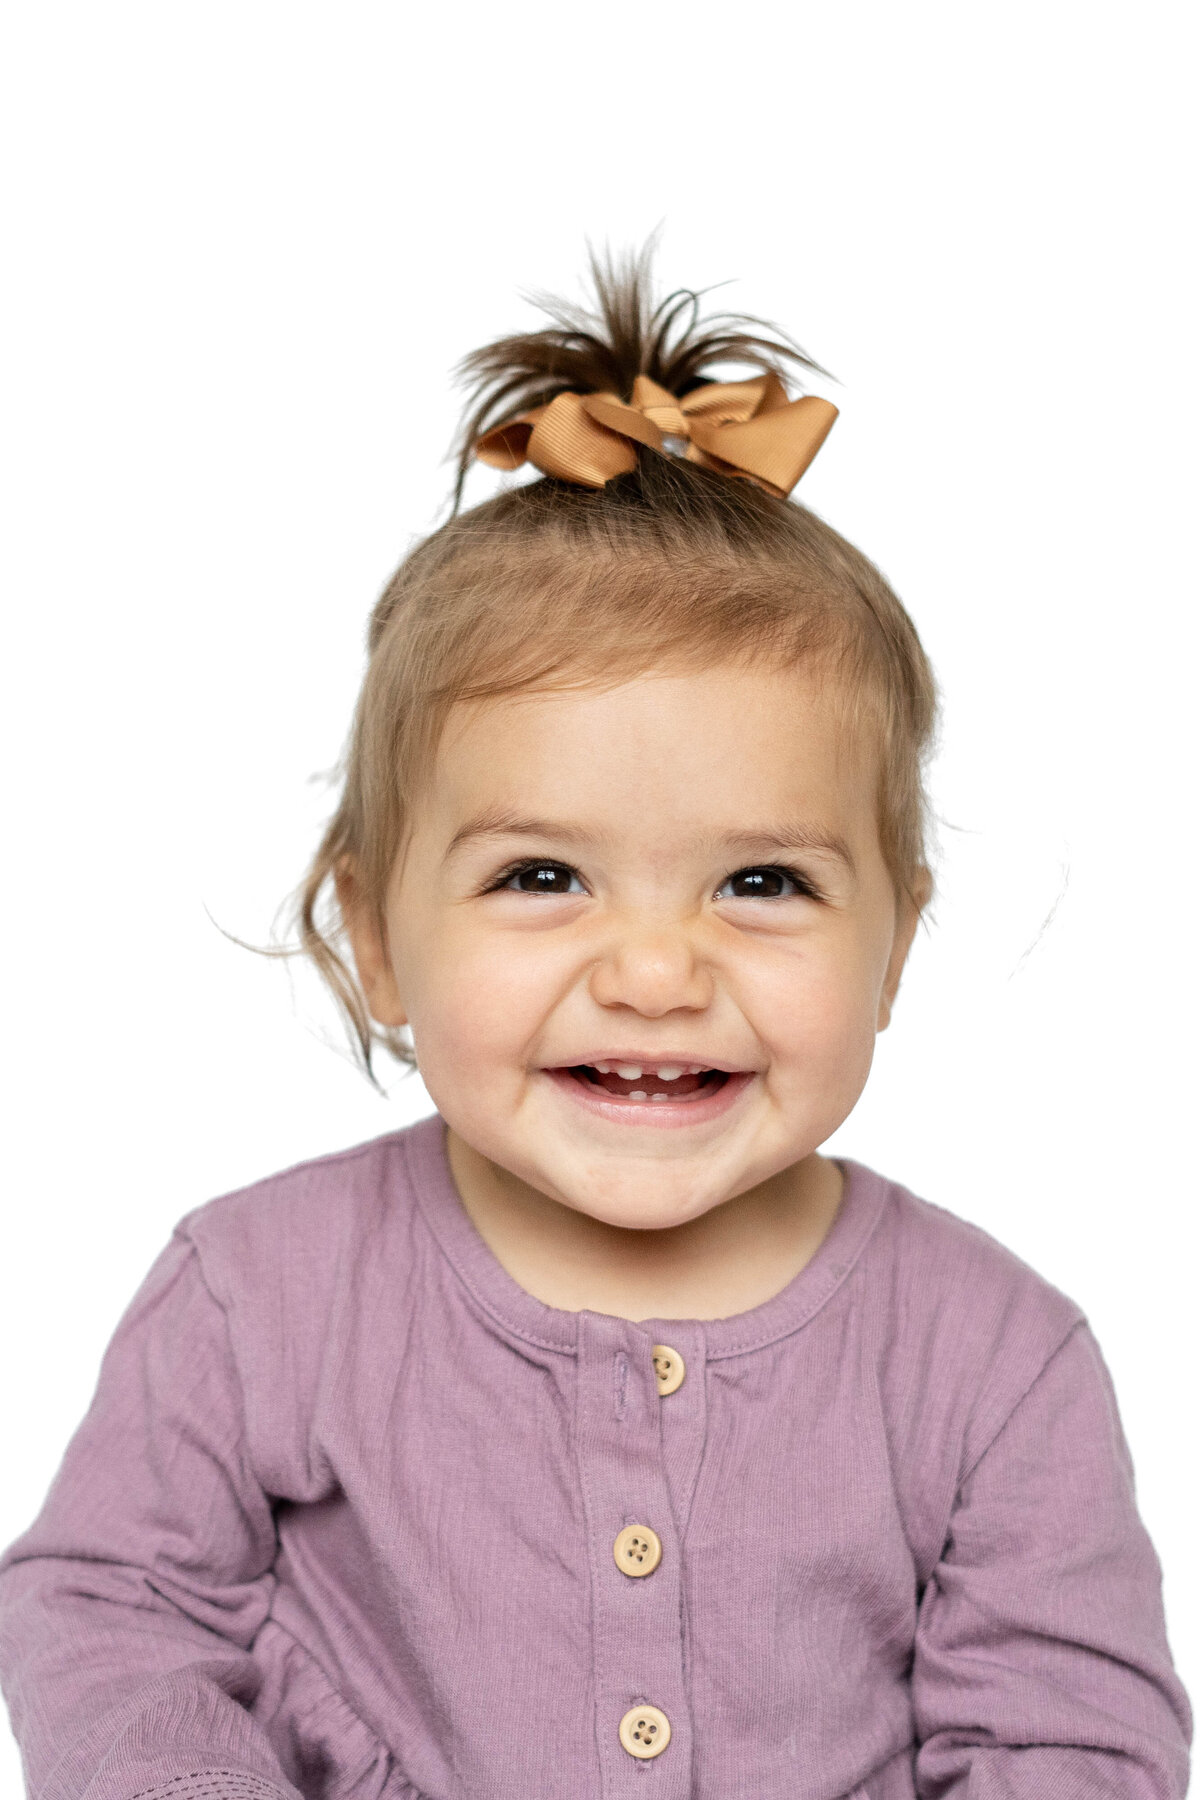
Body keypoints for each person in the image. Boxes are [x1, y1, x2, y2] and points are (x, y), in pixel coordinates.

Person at [0, 250, 1190, 1800]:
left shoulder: (992, 1359)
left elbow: (1072, 1738)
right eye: (542, 876)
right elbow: (106, 1612)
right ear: (373, 937)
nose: (653, 973)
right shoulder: (258, 1298)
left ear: (896, 938)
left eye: (761, 882)